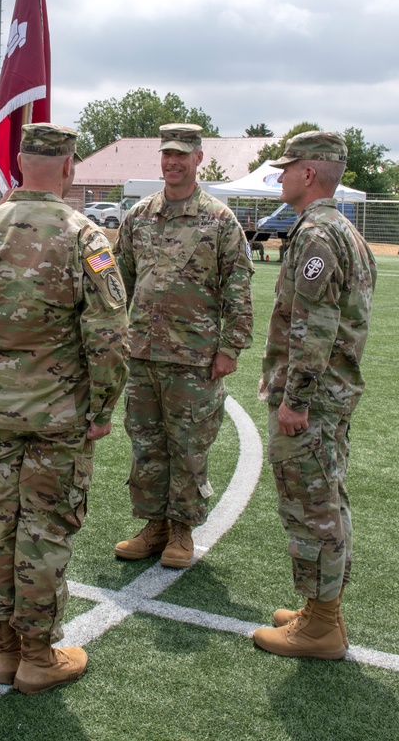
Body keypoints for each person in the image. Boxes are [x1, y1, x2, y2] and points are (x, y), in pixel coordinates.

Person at [0, 123, 129, 694]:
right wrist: (103, 405)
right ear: (68, 168)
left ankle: (1, 649)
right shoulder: (84, 236)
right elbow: (109, 337)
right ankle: (38, 656)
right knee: (44, 529)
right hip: (59, 418)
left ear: (18, 163)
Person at [252, 131, 376, 660]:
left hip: (315, 400)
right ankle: (322, 610)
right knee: (328, 498)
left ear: (309, 174)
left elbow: (315, 328)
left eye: (286, 167)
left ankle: (322, 625)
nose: (279, 176)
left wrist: (295, 402)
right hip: (333, 394)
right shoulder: (337, 230)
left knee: (312, 506)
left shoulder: (317, 237)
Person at [113, 123, 254, 568]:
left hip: (194, 358)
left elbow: (238, 286)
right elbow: (121, 280)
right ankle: (153, 525)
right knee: (147, 445)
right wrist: (118, 336)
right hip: (142, 355)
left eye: (182, 156)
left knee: (189, 448)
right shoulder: (138, 215)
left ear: (197, 159)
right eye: (166, 155)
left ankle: (181, 531)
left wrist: (231, 347)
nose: (172, 163)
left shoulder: (218, 219)